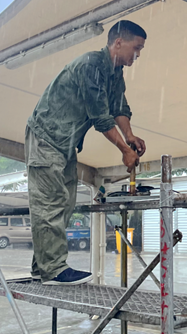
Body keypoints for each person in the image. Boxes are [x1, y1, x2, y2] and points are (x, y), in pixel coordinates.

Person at [25, 20, 147, 286]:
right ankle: (53, 270)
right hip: (46, 137)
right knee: (51, 200)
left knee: (65, 200)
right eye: (135, 49)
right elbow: (101, 117)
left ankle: (41, 266)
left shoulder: (115, 73)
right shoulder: (91, 65)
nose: (136, 56)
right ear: (118, 43)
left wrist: (130, 136)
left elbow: (119, 108)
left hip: (65, 143)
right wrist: (125, 151)